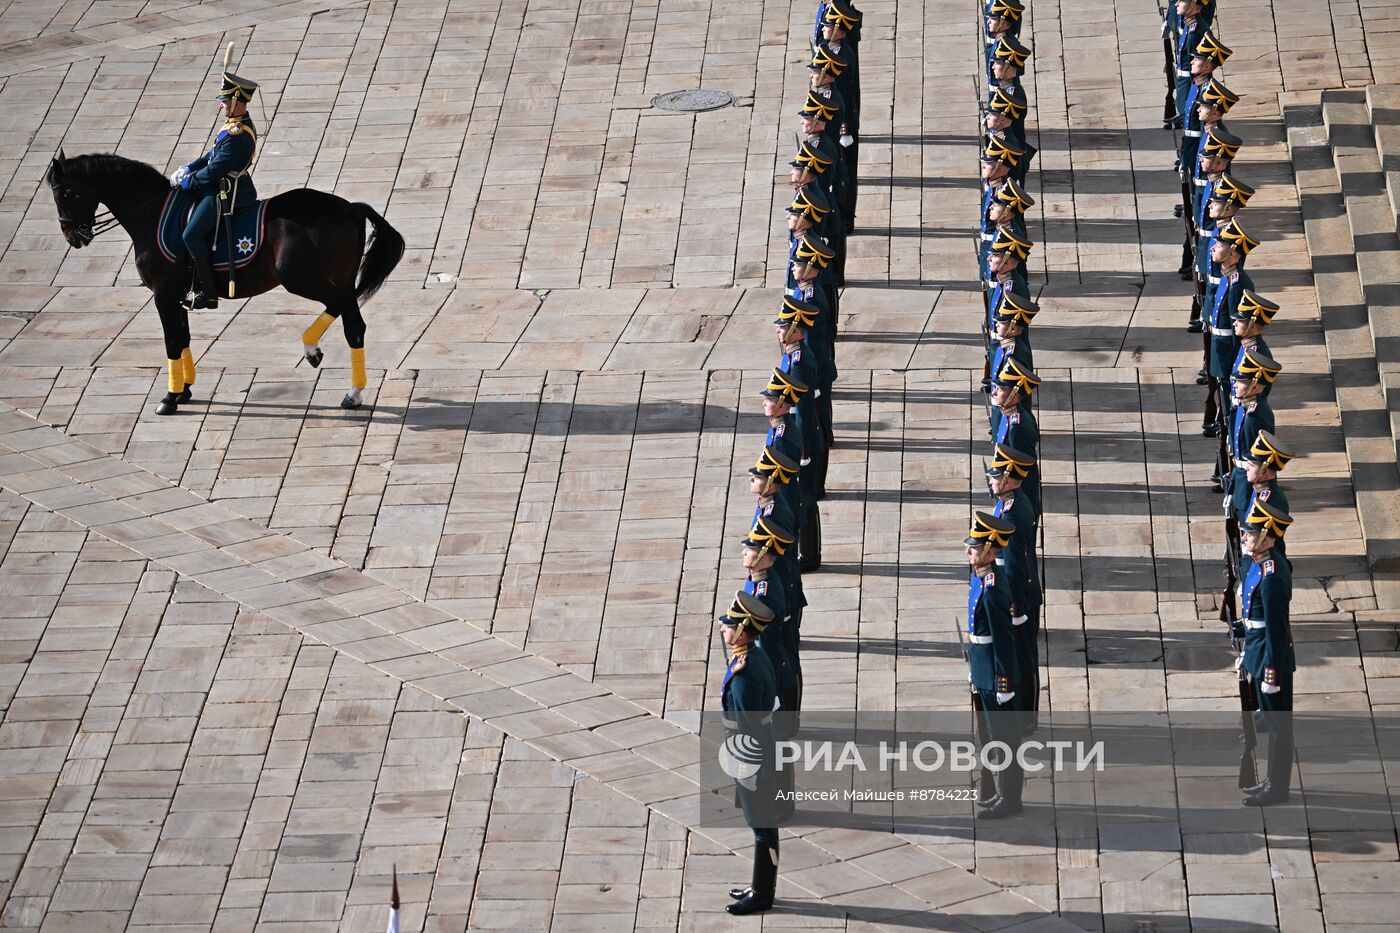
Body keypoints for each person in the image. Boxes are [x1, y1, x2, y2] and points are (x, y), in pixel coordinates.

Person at [170, 70, 259, 310]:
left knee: (191, 235)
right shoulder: (233, 125)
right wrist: (189, 167)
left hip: (227, 193)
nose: (220, 105)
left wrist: (187, 182)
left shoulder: (238, 134)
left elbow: (214, 171)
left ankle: (207, 293)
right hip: (219, 184)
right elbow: (212, 155)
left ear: (236, 101)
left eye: (224, 100)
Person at [717, 592, 782, 915]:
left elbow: (747, 729)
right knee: (762, 823)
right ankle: (759, 884)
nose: (723, 629)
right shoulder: (753, 656)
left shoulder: (744, 676)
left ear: (743, 630)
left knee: (762, 825)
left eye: (729, 625)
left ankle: (762, 893)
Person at [964, 511, 1023, 819]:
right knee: (987, 736)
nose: (968, 552)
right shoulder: (980, 576)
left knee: (1004, 740)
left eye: (973, 548)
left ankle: (1010, 798)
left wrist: (1004, 683)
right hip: (981, 669)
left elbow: (1004, 641)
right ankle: (996, 790)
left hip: (994, 676)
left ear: (988, 550)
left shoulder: (994, 588)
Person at [1238, 501, 1296, 807]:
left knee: (1278, 726)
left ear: (1266, 537)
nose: (1245, 537)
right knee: (1274, 722)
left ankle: (1277, 788)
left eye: (1250, 534)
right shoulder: (1262, 564)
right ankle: (1273, 781)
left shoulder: (1272, 576)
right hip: (1258, 650)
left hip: (1270, 657)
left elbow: (1275, 628)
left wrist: (1271, 670)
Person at [987, 446, 1041, 730]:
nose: (991, 480)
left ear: (1008, 480)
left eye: (996, 477)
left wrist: (1015, 606)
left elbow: (1014, 566)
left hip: (1020, 595)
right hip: (1024, 590)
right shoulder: (1013, 501)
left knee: (1022, 660)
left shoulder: (1011, 516)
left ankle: (1025, 719)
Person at [1203, 216, 1260, 437]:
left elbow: (1240, 326)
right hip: (1221, 344)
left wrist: (1236, 358)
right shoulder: (1229, 278)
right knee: (1223, 389)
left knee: (1229, 392)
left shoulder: (1237, 284)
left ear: (1233, 253)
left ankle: (1225, 426)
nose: (1214, 248)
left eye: (1220, 246)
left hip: (1228, 347)